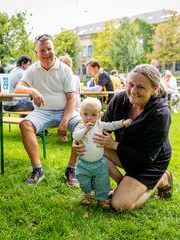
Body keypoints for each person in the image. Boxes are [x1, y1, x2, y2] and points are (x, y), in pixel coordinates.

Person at [74, 64, 173, 211]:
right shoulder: (120, 99)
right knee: (95, 148)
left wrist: (114, 145)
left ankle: (162, 179)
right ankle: (124, 184)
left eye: (141, 87)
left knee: (120, 204)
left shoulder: (160, 114)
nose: (133, 91)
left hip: (150, 162)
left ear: (155, 88)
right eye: (130, 84)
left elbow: (147, 157)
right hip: (127, 153)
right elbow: (100, 129)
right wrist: (79, 142)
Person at [15, 34, 80, 186]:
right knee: (25, 124)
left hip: (65, 110)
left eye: (49, 49)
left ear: (54, 49)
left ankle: (71, 169)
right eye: (42, 50)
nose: (46, 53)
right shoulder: (32, 69)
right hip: (42, 112)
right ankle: (38, 170)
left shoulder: (65, 69)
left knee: (81, 126)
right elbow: (18, 88)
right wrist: (33, 91)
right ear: (36, 53)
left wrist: (64, 122)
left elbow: (72, 99)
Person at [73, 97, 131, 209]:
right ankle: (87, 195)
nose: (89, 118)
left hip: (99, 163)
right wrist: (86, 130)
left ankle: (102, 198)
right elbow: (76, 136)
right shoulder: (80, 127)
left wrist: (123, 123)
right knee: (84, 180)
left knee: (102, 181)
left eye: (93, 115)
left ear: (99, 115)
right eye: (85, 114)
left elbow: (112, 125)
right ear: (81, 114)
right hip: (84, 163)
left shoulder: (100, 125)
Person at [58, 54, 81, 142]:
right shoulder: (76, 78)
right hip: (76, 104)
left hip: (68, 104)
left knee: (64, 113)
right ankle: (76, 135)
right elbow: (78, 92)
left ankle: (64, 135)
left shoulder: (62, 78)